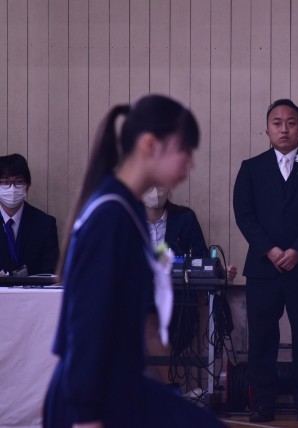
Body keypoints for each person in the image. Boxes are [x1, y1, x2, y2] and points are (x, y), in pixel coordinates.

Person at [43, 94, 224, 428]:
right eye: (185, 150)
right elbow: (86, 324)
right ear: (150, 145)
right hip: (88, 397)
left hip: (118, 384)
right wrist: (86, 416)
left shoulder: (125, 210)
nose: (190, 163)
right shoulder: (111, 215)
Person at [233, 98, 298, 423]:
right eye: (277, 123)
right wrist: (270, 250)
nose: (284, 129)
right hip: (264, 267)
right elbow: (244, 214)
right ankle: (263, 402)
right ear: (267, 130)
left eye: (291, 123)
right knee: (262, 337)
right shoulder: (252, 168)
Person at [142, 186, 237, 384]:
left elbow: (201, 259)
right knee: (147, 323)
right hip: (138, 296)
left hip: (178, 300)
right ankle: (168, 387)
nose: (156, 191)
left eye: (160, 185)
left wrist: (221, 271)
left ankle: (168, 388)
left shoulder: (184, 218)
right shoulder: (127, 219)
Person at [0, 153, 59, 275]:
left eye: (19, 182)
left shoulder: (45, 225)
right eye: (5, 182)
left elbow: (51, 273)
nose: (12, 188)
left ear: (27, 186)